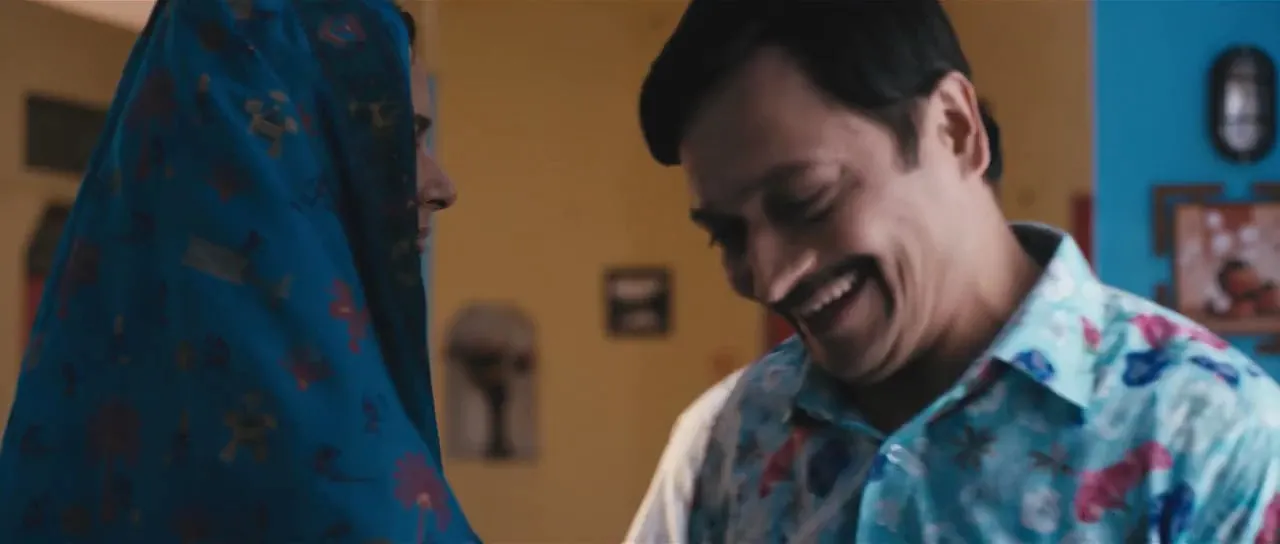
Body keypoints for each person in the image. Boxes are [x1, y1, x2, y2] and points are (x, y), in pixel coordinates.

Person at [636, 0, 1280, 542]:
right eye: (728, 235)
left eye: (807, 201)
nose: (771, 279)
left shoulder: (1215, 439)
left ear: (954, 129)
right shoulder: (732, 438)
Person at [0, 1, 479, 542]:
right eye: (401, 139)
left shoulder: (73, 450)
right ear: (296, 153)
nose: (442, 186)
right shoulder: (345, 481)